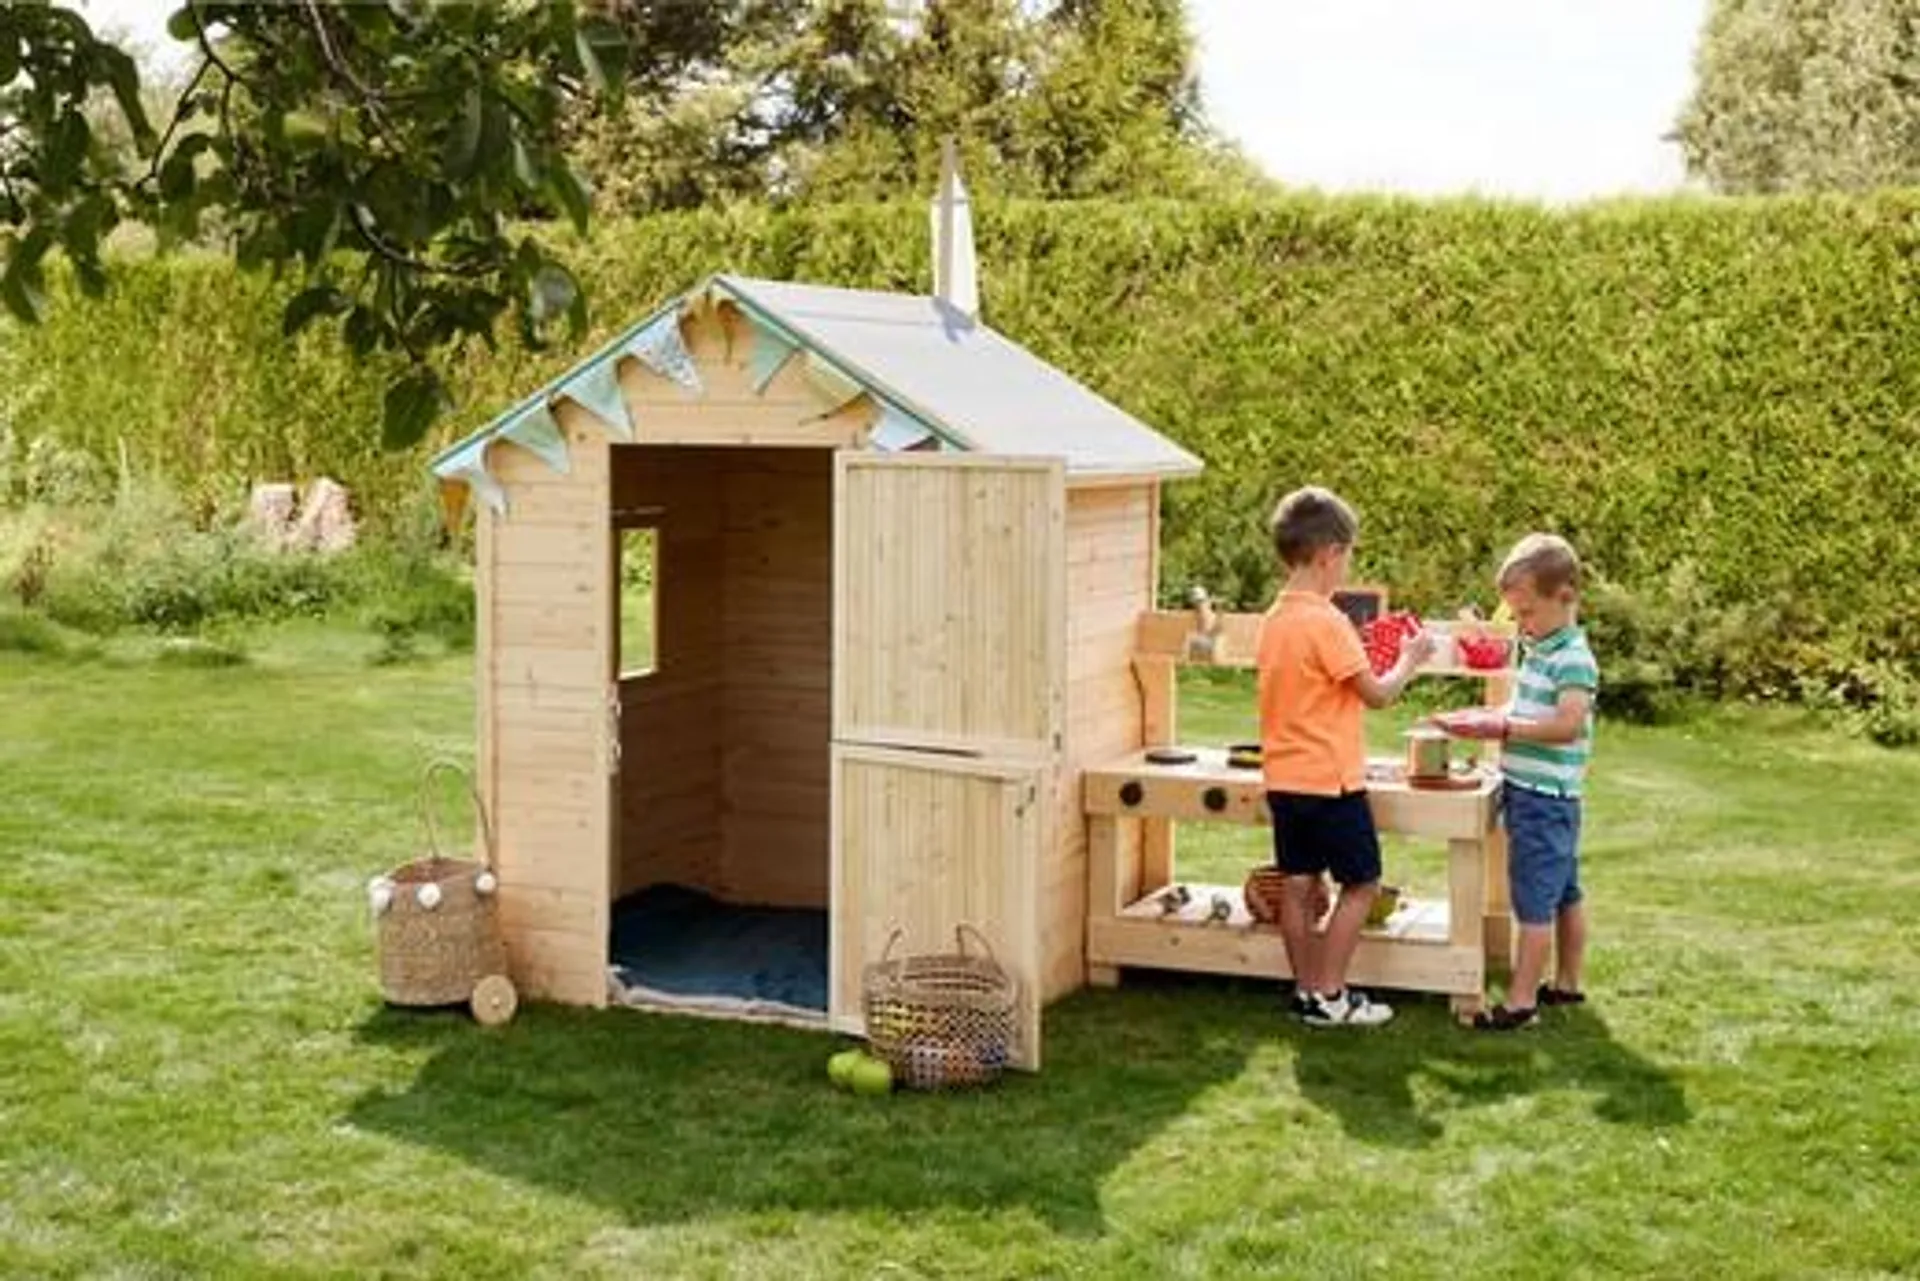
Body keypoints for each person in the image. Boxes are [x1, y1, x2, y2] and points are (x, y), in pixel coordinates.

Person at [1257, 486, 1433, 1028]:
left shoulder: (1274, 620)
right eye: (1348, 555)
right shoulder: (1326, 621)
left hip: (1284, 778)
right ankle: (1332, 993)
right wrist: (1410, 660)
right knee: (1362, 884)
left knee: (1298, 885)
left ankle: (1306, 992)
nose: (1348, 566)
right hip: (1330, 781)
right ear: (1330, 553)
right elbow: (1376, 695)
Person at [1433, 533, 1599, 1032]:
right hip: (1542, 798)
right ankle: (1566, 984)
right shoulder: (1542, 647)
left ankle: (1522, 1001)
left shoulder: (1572, 657)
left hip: (1544, 801)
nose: (1521, 625)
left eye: (1527, 613)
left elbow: (1567, 724)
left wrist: (1501, 728)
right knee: (1564, 893)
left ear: (1564, 597)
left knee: (1533, 902)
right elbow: (1529, 709)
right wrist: (1488, 715)